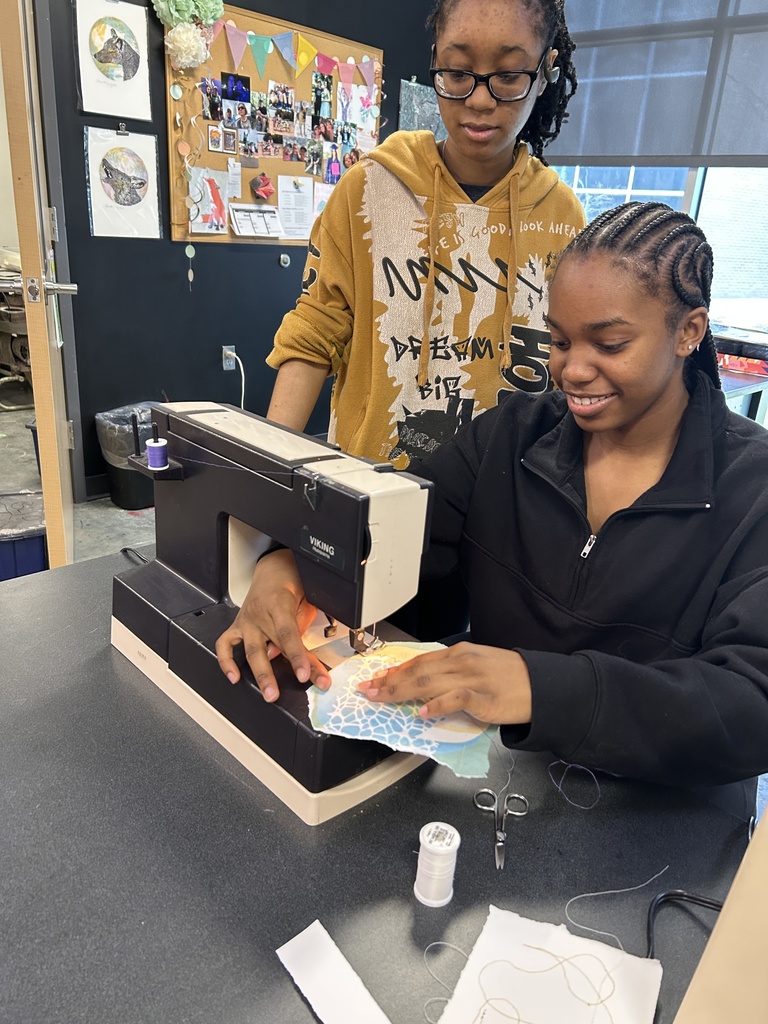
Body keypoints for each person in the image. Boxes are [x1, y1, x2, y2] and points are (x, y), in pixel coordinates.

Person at [216, 203, 768, 789]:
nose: (573, 370)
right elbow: (394, 526)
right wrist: (290, 563)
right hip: (501, 782)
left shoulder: (752, 491)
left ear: (689, 331)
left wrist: (542, 688)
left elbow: (750, 704)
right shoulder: (509, 437)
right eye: (558, 341)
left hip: (657, 821)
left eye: (609, 346)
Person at [265, 0, 585, 467]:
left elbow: (570, 373)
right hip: (370, 487)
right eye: (458, 72)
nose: (479, 99)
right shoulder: (367, 190)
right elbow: (314, 332)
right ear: (436, 58)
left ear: (545, 69)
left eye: (509, 75)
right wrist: (264, 479)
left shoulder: (563, 218)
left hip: (502, 505)